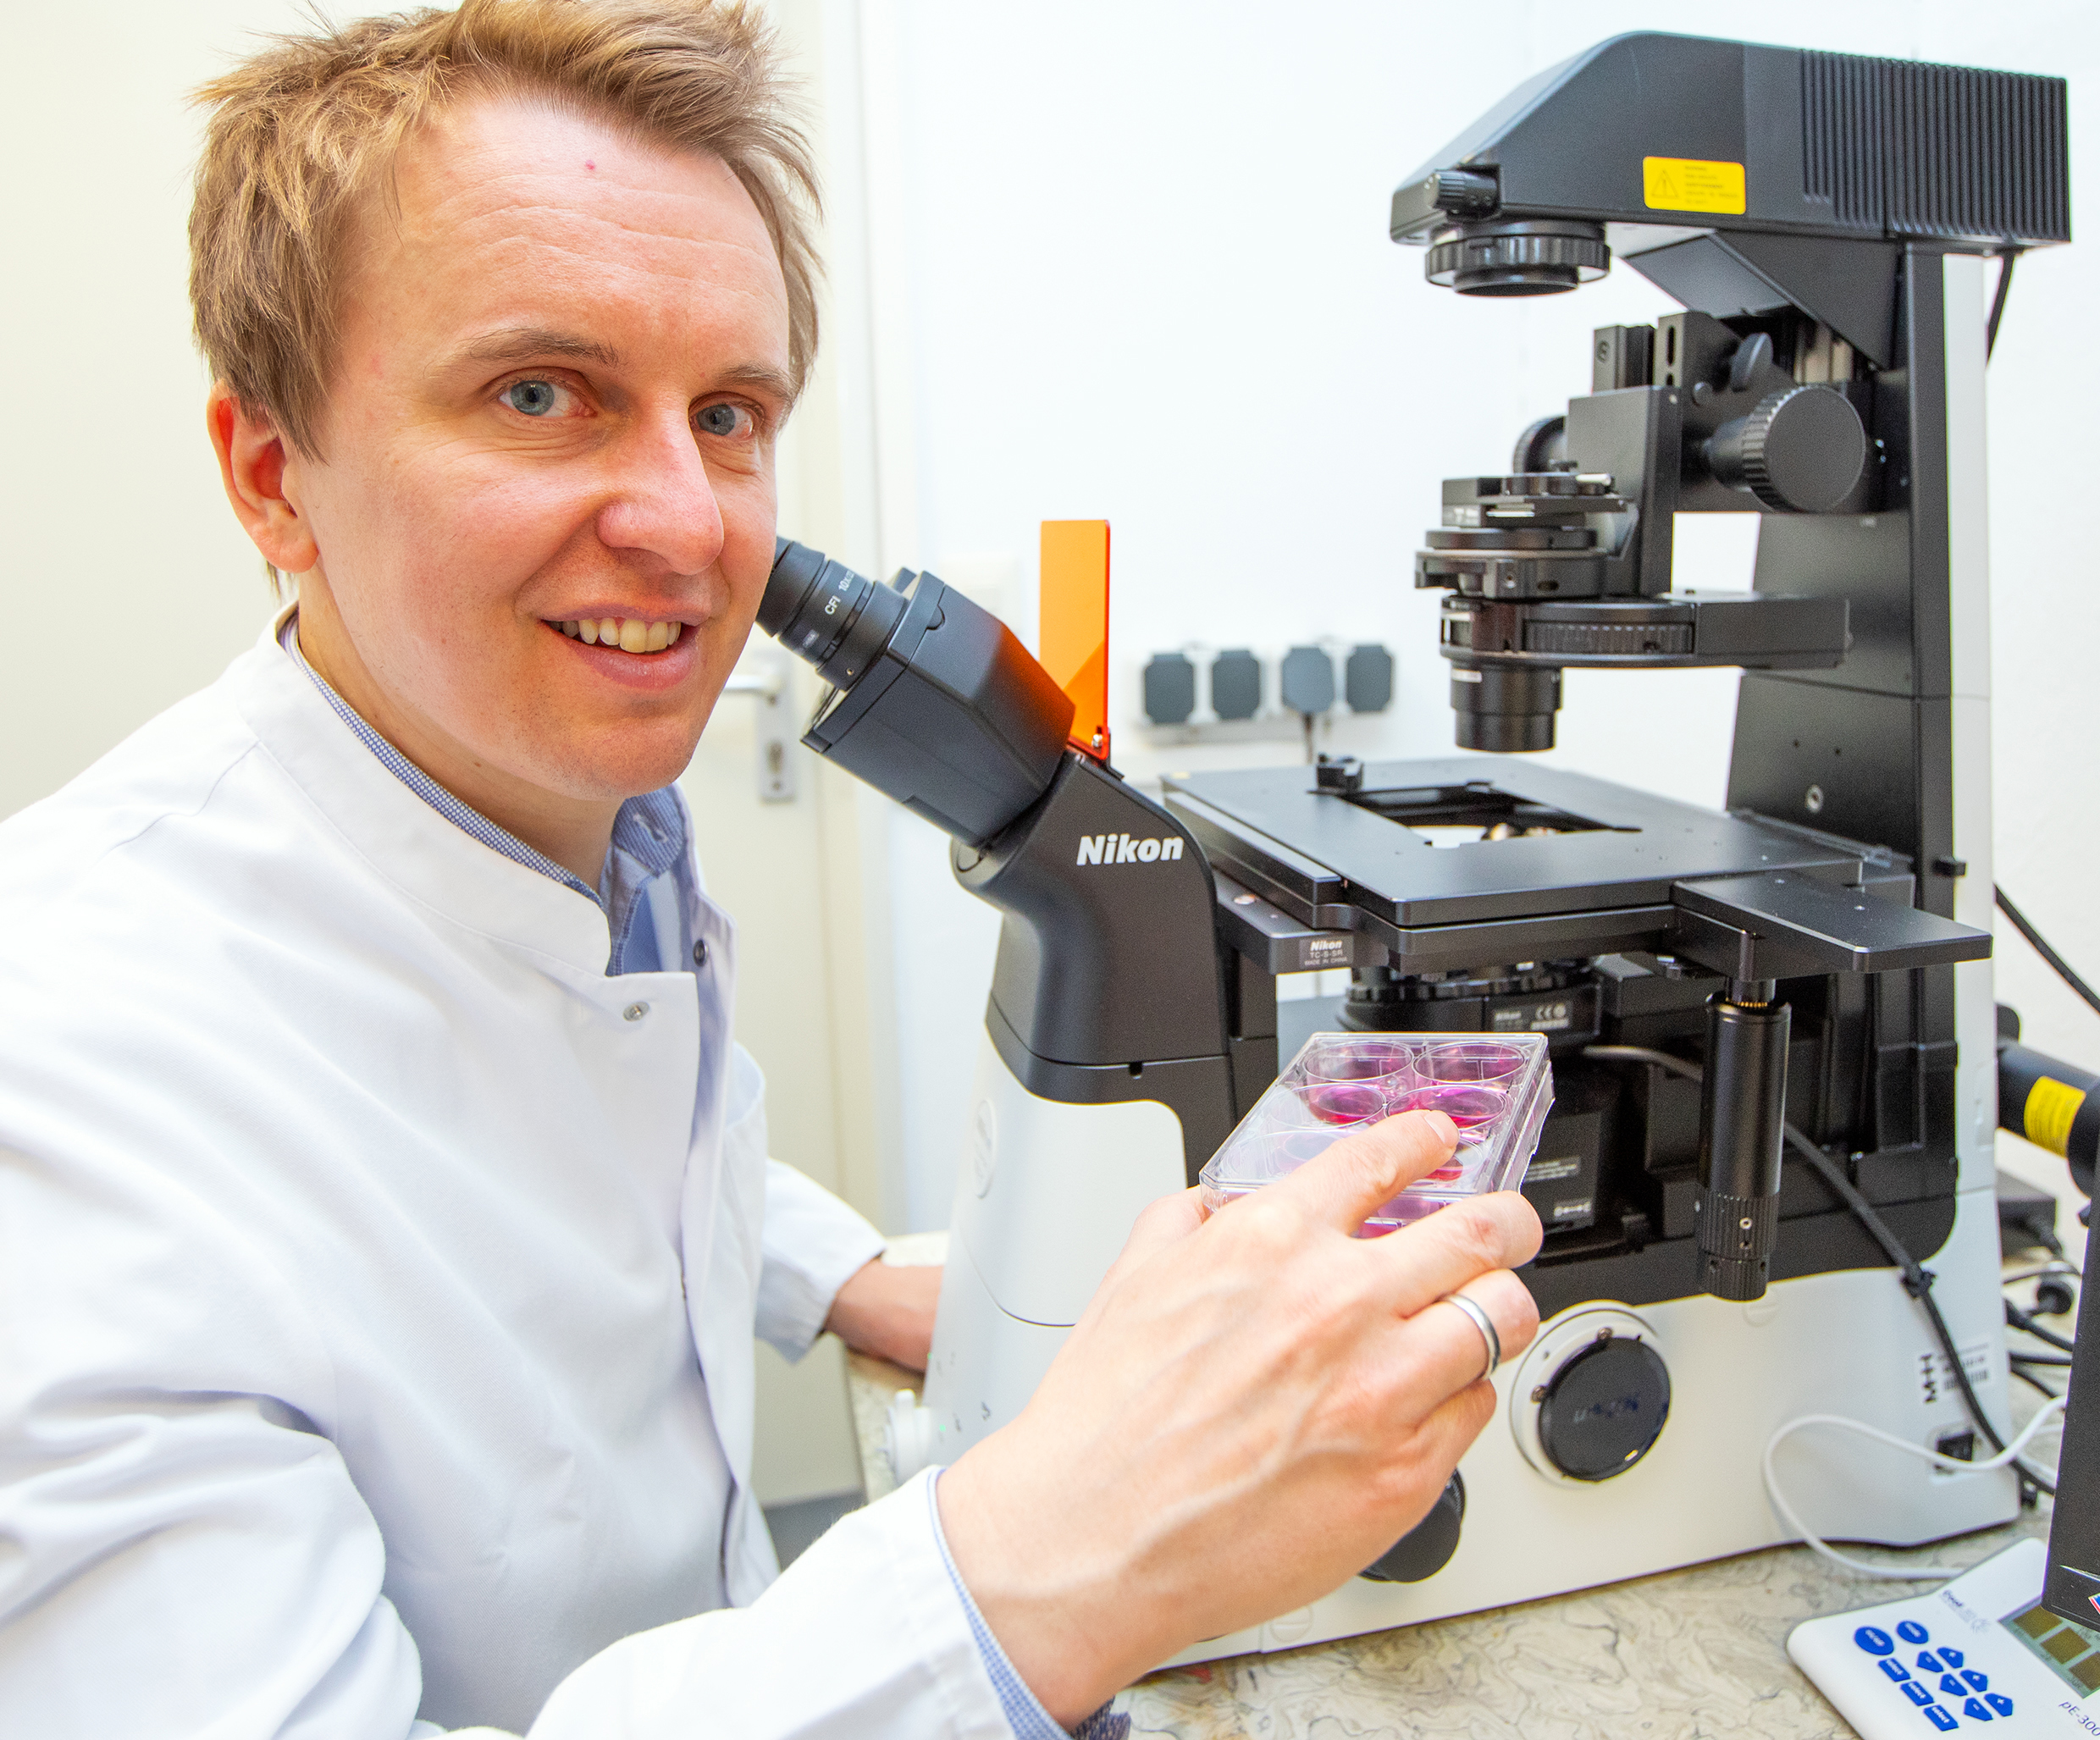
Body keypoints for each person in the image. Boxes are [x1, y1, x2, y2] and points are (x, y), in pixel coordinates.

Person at [0, 3, 1543, 1735]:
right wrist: (1051, 1559)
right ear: (272, 476)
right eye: (539, 391)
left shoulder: (569, 817)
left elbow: (624, 1095)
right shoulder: (61, 1091)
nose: (688, 522)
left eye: (727, 412)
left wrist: (831, 1268)